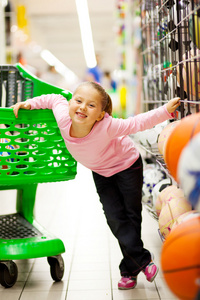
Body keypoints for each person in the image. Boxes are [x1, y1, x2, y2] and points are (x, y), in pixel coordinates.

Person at [11, 81, 180, 290]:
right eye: (78, 100)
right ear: (71, 102)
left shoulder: (107, 125)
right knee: (115, 218)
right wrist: (30, 103)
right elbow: (54, 98)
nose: (82, 107)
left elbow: (137, 123)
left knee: (132, 216)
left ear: (100, 114)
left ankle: (128, 270)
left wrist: (165, 111)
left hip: (127, 166)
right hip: (102, 172)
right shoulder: (63, 117)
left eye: (91, 105)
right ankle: (142, 260)